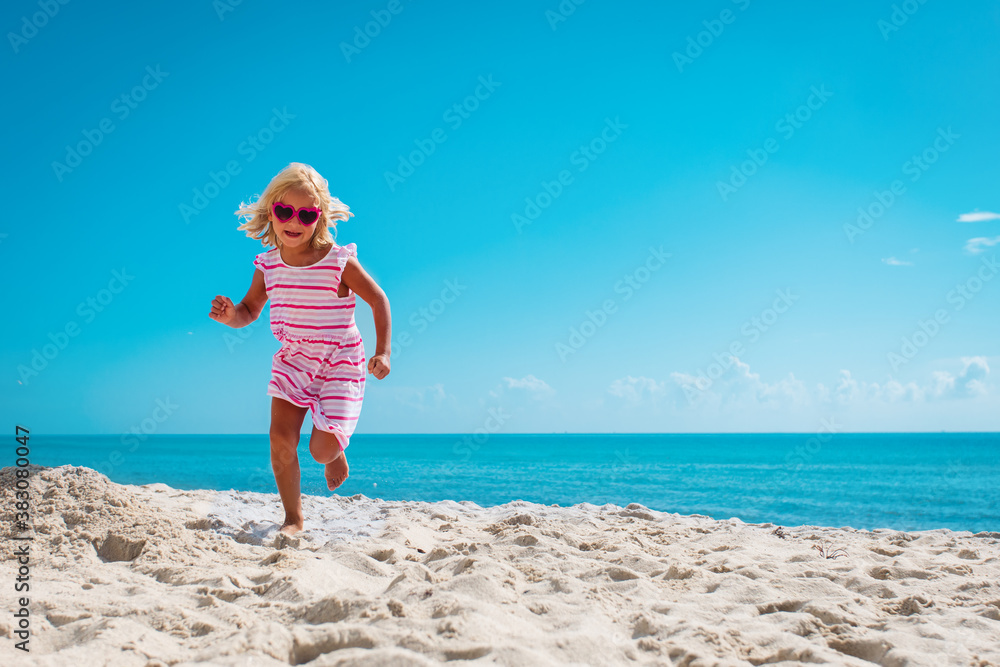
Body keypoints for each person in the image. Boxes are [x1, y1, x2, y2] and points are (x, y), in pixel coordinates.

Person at [209, 162, 391, 536]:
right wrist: (231, 317)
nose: (295, 221)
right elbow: (249, 311)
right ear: (271, 212)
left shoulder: (339, 262)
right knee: (280, 440)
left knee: (320, 451)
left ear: (319, 218)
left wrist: (383, 351)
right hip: (294, 360)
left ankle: (335, 452)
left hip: (340, 359)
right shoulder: (267, 266)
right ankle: (293, 518)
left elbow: (379, 300)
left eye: (306, 214)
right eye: (285, 211)